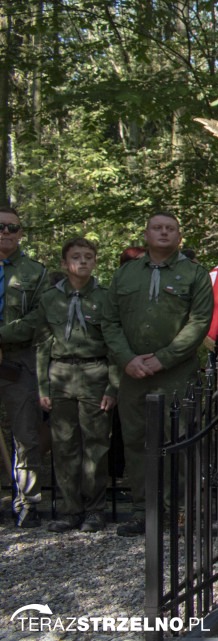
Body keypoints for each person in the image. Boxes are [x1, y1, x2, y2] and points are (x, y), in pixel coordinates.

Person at [102, 212, 214, 537]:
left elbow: (199, 322)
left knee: (178, 441)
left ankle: (181, 513)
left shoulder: (194, 274)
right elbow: (109, 322)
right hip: (133, 375)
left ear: (179, 236)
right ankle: (144, 511)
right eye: (157, 228)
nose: (163, 232)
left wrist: (163, 359)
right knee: (137, 442)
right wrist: (127, 359)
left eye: (170, 228)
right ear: (146, 234)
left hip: (176, 375)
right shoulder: (124, 274)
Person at [0, 238, 118, 532]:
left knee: (96, 445)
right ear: (64, 264)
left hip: (95, 373)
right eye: (75, 257)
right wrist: (43, 387)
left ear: (95, 262)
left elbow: (116, 343)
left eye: (88, 257)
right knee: (64, 445)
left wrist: (112, 386)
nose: (82, 261)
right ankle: (69, 510)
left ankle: (95, 509)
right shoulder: (50, 299)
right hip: (60, 374)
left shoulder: (105, 298)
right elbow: (40, 342)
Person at [0, 206, 50, 528]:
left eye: (12, 228)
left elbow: (38, 318)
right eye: (1, 227)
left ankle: (27, 503)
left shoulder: (36, 273)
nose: (5, 233)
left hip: (17, 360)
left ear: (20, 233)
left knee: (25, 434)